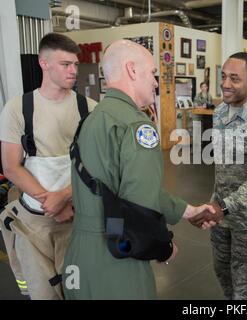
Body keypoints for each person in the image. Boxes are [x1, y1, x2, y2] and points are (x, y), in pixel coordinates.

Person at [62, 40, 215, 300]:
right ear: (132, 70)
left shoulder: (91, 119)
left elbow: (114, 187)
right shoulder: (135, 125)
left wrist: (188, 210)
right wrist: (163, 247)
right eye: (152, 73)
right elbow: (139, 206)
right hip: (116, 261)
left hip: (78, 258)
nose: (155, 82)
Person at [0, 33, 97, 299]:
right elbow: (10, 167)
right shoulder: (18, 109)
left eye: (75, 64)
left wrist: (65, 198)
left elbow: (97, 164)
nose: (73, 70)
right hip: (34, 224)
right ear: (44, 63)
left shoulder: (90, 109)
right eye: (66, 64)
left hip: (78, 219)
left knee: (80, 290)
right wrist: (51, 204)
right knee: (43, 293)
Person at [191, 52, 247, 299]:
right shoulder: (220, 113)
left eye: (234, 78)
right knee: (224, 275)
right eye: (223, 76)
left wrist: (224, 207)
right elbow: (222, 169)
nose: (225, 84)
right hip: (222, 218)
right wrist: (215, 204)